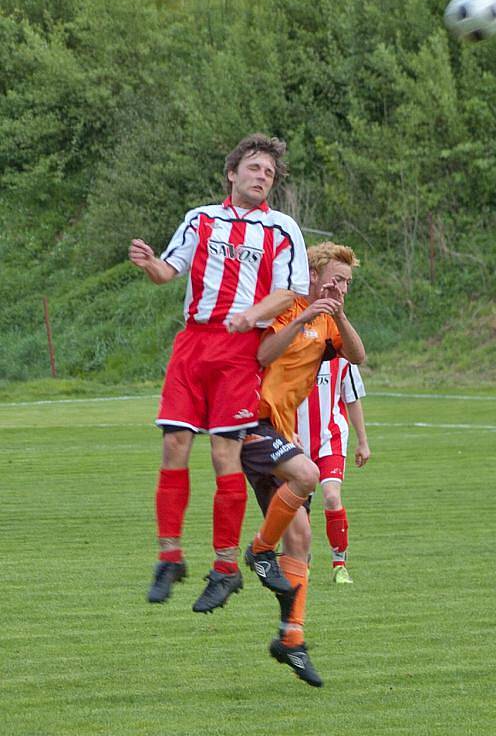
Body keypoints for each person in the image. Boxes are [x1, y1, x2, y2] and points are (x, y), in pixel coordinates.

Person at [128, 134, 309, 613]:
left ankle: (226, 568)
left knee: (223, 456)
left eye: (268, 173)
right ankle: (169, 556)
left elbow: (290, 292)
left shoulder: (283, 229)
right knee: (173, 444)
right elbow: (170, 271)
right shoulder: (201, 218)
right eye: (254, 168)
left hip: (239, 351)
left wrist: (251, 316)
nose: (261, 177)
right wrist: (150, 266)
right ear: (232, 173)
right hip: (193, 344)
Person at [240, 241, 365, 687]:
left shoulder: (330, 319)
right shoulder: (287, 305)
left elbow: (358, 357)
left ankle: (290, 638)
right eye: (335, 279)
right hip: (251, 420)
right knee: (308, 475)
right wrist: (308, 314)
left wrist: (338, 314)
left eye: (347, 283)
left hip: (280, 431)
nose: (341, 287)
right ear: (311, 274)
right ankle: (257, 551)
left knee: (302, 536)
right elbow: (262, 354)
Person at [295, 358, 370, 583]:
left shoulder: (343, 356)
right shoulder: (292, 350)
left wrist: (363, 441)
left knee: (331, 496)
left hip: (331, 438)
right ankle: (302, 562)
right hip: (297, 439)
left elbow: (352, 399)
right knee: (301, 503)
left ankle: (339, 565)